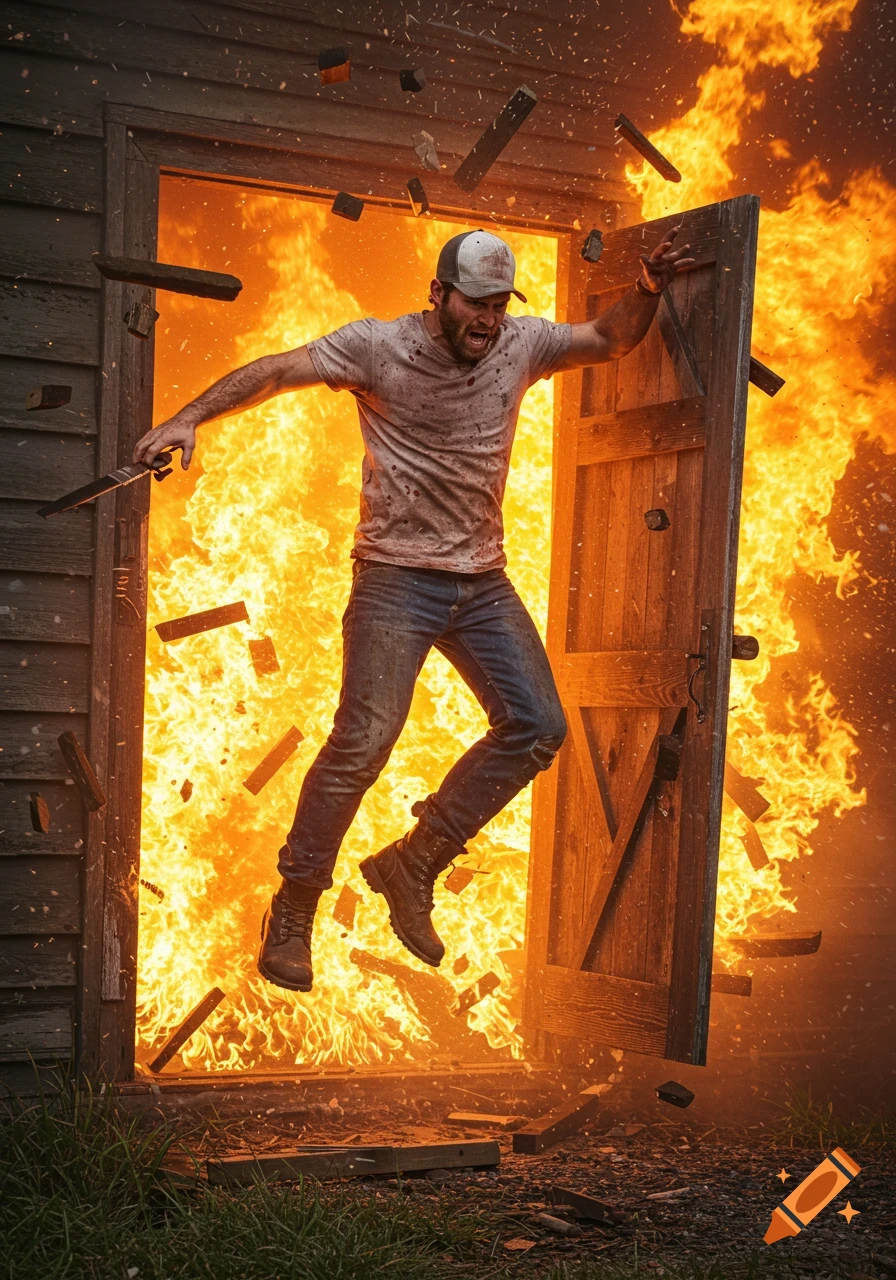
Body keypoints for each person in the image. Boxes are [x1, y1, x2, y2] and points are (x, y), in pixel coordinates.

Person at [134, 225, 694, 993]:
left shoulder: (521, 347)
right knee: (363, 741)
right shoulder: (377, 348)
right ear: (439, 294)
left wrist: (649, 292)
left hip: (482, 584)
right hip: (396, 580)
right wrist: (188, 417)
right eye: (476, 304)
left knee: (538, 727)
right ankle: (295, 906)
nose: (488, 320)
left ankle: (413, 862)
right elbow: (273, 372)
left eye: (500, 306)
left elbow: (606, 337)